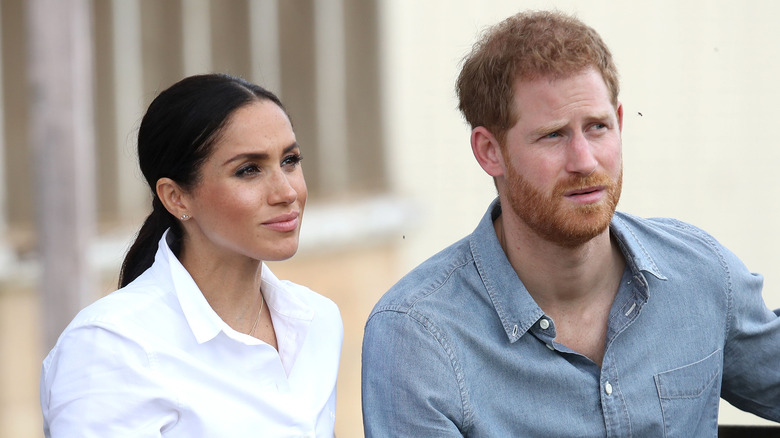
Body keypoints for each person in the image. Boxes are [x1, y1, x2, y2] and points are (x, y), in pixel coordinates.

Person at [361, 10, 780, 437]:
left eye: (597, 127)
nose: (584, 161)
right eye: (554, 135)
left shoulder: (700, 275)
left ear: (619, 122)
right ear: (490, 151)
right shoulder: (419, 337)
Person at [40, 74, 343, 437]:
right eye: (248, 170)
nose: (286, 191)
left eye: (290, 160)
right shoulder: (112, 347)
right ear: (176, 197)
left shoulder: (317, 321)